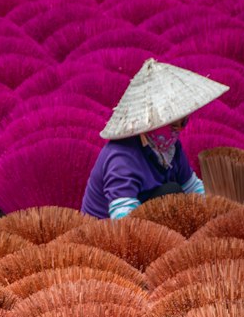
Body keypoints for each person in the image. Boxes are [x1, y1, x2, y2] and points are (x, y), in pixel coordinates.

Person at [81, 58, 228, 220]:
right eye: (173, 124)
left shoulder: (170, 149)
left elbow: (192, 188)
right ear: (151, 123)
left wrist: (220, 212)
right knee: (170, 193)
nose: (179, 130)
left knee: (175, 195)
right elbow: (122, 217)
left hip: (144, 216)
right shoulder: (122, 157)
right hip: (107, 230)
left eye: (183, 122)